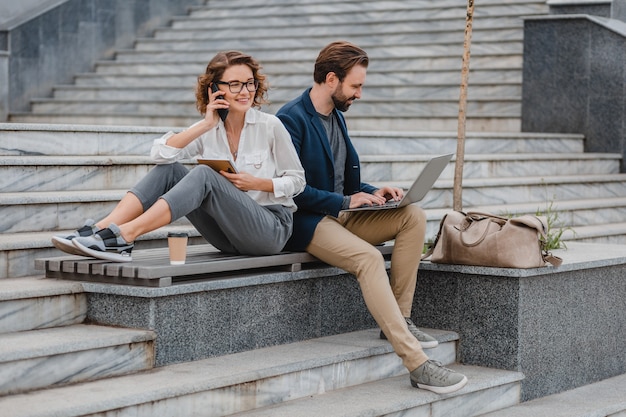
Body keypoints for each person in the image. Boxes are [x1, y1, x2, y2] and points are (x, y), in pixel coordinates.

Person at [276, 41, 467, 394]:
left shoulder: (335, 117)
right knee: (367, 258)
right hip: (307, 222)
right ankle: (417, 365)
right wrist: (347, 199)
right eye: (356, 86)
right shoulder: (290, 119)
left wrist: (376, 191)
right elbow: (291, 190)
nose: (359, 94)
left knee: (412, 215)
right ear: (331, 79)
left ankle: (401, 319)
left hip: (341, 214)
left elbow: (346, 183)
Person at [52, 51, 305, 262]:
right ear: (215, 90)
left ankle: (125, 236)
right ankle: (101, 229)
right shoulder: (209, 128)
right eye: (235, 84)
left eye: (249, 83)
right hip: (227, 235)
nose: (245, 91)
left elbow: (297, 180)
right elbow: (160, 155)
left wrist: (258, 183)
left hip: (270, 230)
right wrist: (206, 124)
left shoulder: (271, 126)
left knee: (204, 174)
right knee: (170, 170)